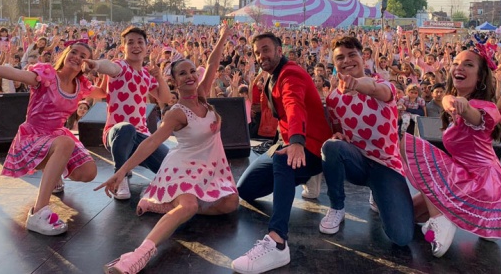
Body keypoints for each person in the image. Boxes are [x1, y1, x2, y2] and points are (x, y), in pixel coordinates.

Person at [95, 24, 239, 274]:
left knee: (230, 204)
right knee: (190, 207)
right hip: (182, 167)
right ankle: (137, 255)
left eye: (193, 71)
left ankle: (166, 205)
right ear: (174, 81)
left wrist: (223, 37)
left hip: (209, 167)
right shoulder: (175, 113)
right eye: (182, 74)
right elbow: (151, 142)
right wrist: (121, 172)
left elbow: (214, 63)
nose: (190, 76)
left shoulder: (203, 96)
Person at [0, 43, 106, 236]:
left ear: (87, 62)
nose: (76, 56)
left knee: (88, 172)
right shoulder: (47, 75)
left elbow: (103, 93)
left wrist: (101, 68)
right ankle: (38, 213)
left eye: (83, 55)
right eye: (73, 52)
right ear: (65, 54)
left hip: (56, 136)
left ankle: (55, 174)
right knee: (65, 142)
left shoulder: (81, 86)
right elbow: (15, 74)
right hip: (33, 135)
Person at [402, 48, 501, 258]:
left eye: (469, 64)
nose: (459, 67)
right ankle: (469, 220)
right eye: (455, 62)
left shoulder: (485, 107)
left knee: (408, 145)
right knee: (407, 215)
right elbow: (449, 101)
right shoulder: (452, 102)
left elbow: (476, 115)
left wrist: (461, 105)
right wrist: (449, 100)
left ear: (480, 77)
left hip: (476, 182)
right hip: (478, 181)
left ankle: (440, 220)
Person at [232, 32, 332, 274]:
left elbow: (294, 105)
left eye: (266, 49)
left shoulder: (291, 73)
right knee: (245, 190)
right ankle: (304, 175)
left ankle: (277, 242)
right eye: (257, 52)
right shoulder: (271, 77)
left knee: (283, 160)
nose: (261, 56)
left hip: (311, 146)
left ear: (279, 50)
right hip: (288, 141)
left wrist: (296, 140)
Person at [318, 36, 414, 246]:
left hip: (386, 166)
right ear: (335, 64)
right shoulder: (334, 97)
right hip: (358, 163)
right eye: (340, 57)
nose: (347, 61)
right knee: (331, 147)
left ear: (364, 58)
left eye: (352, 55)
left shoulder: (385, 86)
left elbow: (372, 87)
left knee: (401, 237)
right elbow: (336, 129)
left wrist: (357, 84)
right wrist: (339, 136)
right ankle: (336, 207)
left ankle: (378, 193)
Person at [84, 26, 172, 200]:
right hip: (116, 133)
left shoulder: (146, 75)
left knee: (170, 165)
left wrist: (160, 77)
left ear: (147, 47)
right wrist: (96, 65)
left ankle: (128, 165)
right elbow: (108, 67)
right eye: (130, 42)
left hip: (142, 137)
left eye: (140, 42)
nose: (135, 46)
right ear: (123, 47)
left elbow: (165, 97)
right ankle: (120, 177)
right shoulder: (120, 67)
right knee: (127, 129)